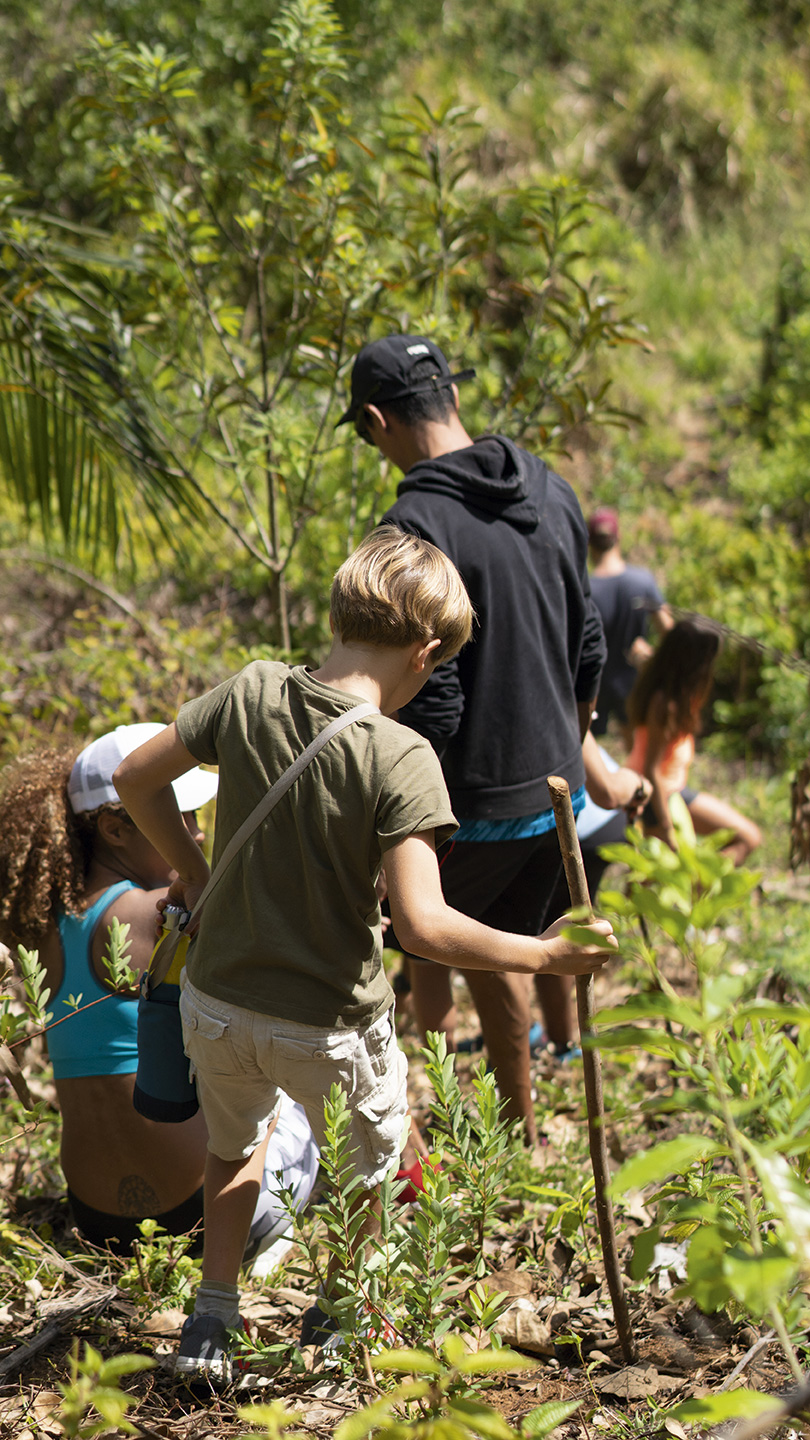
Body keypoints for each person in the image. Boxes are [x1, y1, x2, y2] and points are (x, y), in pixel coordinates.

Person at [113, 526, 617, 1383]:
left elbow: (134, 777)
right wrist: (542, 955)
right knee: (369, 1173)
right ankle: (346, 1317)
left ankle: (211, 1319)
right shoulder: (402, 754)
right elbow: (423, 926)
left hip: (220, 1003)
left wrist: (194, 871)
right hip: (331, 1025)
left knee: (233, 1149)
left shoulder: (252, 689)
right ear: (424, 653)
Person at [336, 334, 607, 1146]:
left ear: (377, 421)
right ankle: (513, 1136)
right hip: (557, 789)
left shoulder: (412, 526)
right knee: (503, 953)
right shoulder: (551, 489)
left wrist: (387, 811)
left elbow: (437, 702)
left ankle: (448, 1137)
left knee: (415, 943)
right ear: (452, 396)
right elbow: (589, 643)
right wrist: (570, 748)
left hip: (470, 798)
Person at [0, 725, 319, 1261]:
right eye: (178, 815)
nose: (196, 831)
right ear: (114, 829)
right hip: (202, 1215)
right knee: (328, 1063)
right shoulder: (156, 914)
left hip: (97, 1222)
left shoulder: (40, 930)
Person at [625, 618, 761, 864]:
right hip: (656, 796)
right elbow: (652, 770)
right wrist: (666, 826)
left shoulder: (670, 682)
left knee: (656, 875)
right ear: (696, 661)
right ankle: (697, 883)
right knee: (747, 838)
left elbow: (646, 655)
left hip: (672, 791)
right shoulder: (665, 704)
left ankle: (694, 883)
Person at [587, 506, 673, 738]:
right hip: (634, 682)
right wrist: (653, 658)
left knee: (588, 747)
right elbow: (671, 634)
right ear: (618, 537)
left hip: (594, 684)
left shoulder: (586, 589)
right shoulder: (642, 581)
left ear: (589, 542)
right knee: (637, 746)